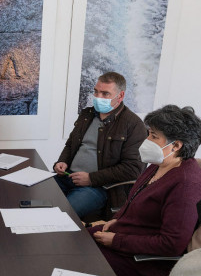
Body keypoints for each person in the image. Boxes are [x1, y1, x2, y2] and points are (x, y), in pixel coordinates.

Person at [86, 105, 201, 276]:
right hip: (124, 238)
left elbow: (172, 244)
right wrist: (117, 219)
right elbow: (133, 199)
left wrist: (116, 240)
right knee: (71, 240)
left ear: (175, 145)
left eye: (153, 136)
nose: (147, 140)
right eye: (149, 133)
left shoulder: (186, 185)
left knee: (75, 259)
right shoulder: (158, 164)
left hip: (142, 262)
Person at [53, 72, 147, 219]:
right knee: (35, 197)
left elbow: (133, 168)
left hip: (98, 187)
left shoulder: (134, 125)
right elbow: (71, 144)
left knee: (61, 215)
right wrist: (62, 161)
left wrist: (92, 178)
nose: (98, 98)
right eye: (96, 92)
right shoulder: (87, 114)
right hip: (67, 176)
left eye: (105, 94)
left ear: (120, 96)